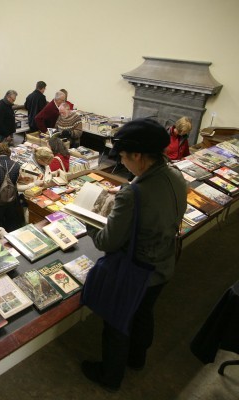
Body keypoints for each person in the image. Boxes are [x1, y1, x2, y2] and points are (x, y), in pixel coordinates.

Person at [81, 118, 187, 392]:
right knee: (143, 314)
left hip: (135, 272)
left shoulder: (133, 194)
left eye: (125, 157)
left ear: (138, 155)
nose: (123, 163)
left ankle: (110, 376)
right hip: (163, 266)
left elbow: (107, 240)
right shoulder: (175, 175)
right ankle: (137, 360)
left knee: (117, 324)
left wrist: (90, 222)